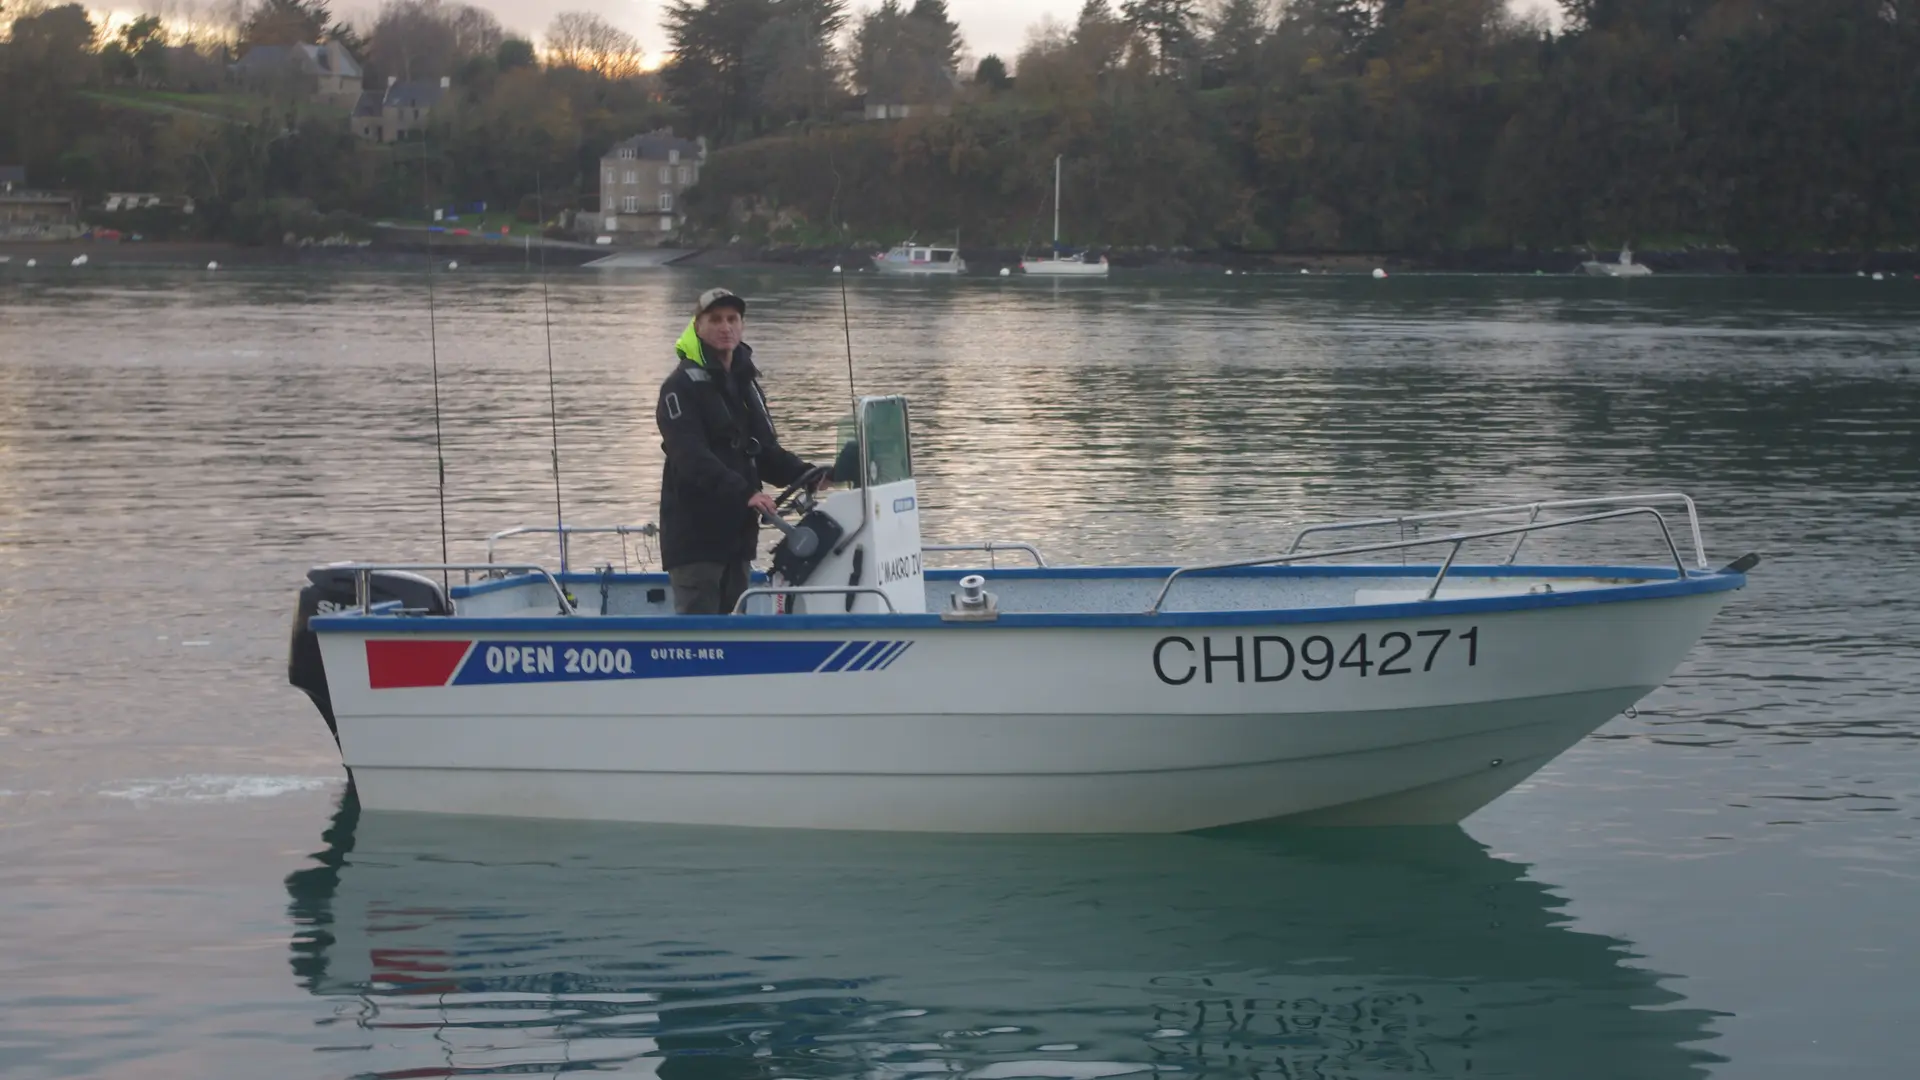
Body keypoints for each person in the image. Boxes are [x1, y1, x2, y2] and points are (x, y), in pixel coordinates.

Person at [656, 288, 822, 615]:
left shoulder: (744, 382)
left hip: (738, 540)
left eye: (733, 319)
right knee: (702, 632)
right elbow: (690, 457)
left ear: (742, 325)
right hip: (696, 540)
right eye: (715, 320)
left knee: (735, 626)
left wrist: (810, 473)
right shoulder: (679, 387)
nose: (725, 327)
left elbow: (764, 452)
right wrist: (747, 493)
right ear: (698, 326)